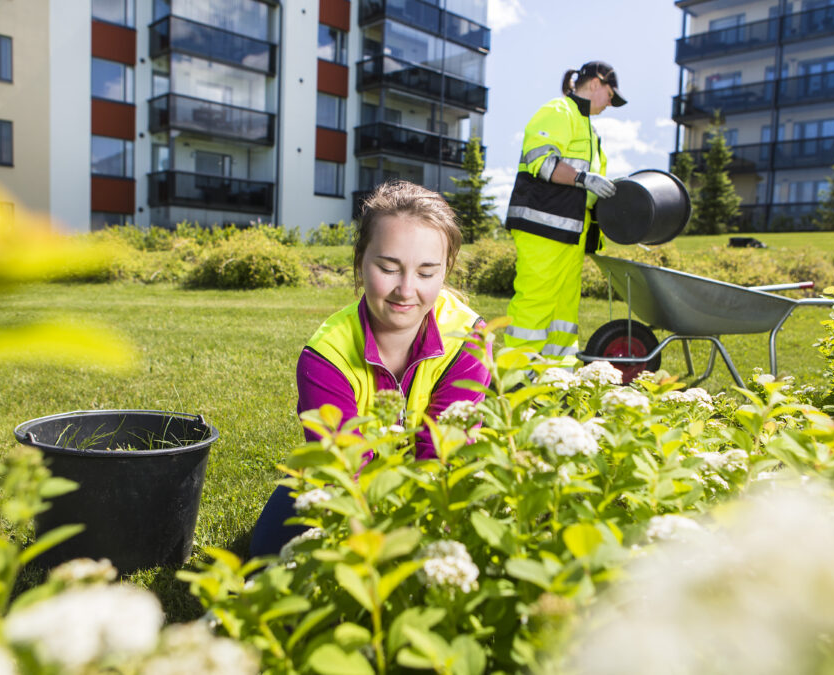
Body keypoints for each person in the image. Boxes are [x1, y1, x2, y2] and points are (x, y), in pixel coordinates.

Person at [248, 180, 492, 557]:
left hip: (430, 479)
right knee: (265, 555)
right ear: (361, 260)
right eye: (389, 267)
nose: (406, 290)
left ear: (446, 270)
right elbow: (345, 470)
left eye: (426, 273)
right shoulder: (325, 355)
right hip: (345, 484)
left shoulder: (469, 339)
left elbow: (442, 456)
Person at [504, 61, 628, 365]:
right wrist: (585, 179)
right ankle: (517, 378)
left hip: (572, 231)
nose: (610, 104)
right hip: (542, 225)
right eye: (611, 95)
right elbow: (541, 160)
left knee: (563, 310)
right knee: (536, 302)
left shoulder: (589, 129)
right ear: (597, 83)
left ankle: (555, 376)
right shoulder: (560, 111)